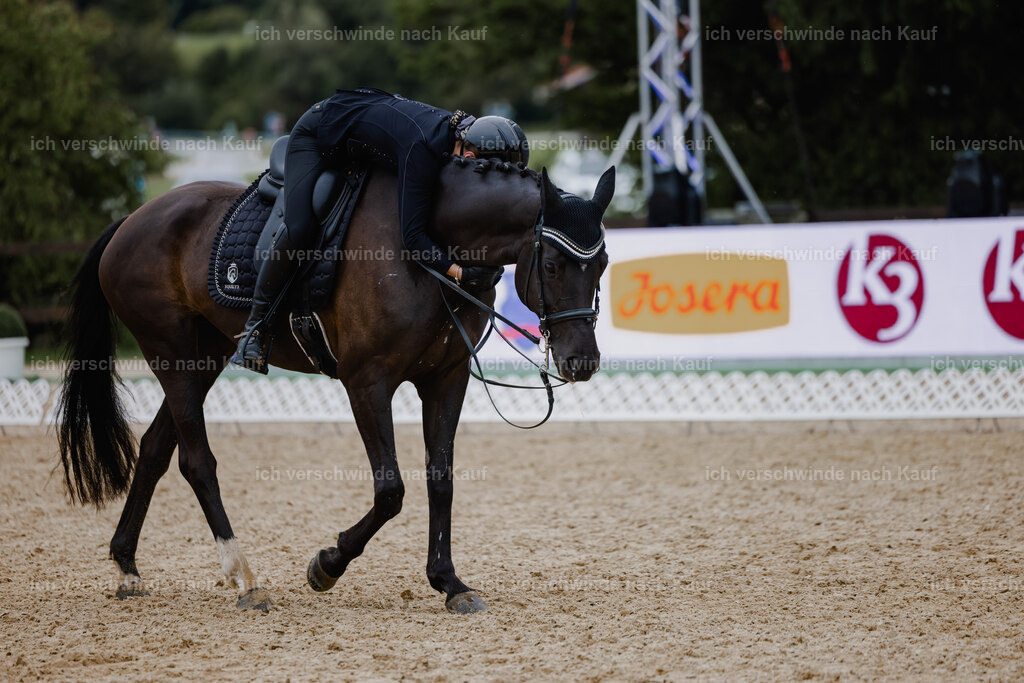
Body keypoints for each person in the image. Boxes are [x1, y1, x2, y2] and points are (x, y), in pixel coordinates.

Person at [230, 88, 529, 373]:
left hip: (363, 135)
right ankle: (255, 329)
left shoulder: (460, 135)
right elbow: (413, 238)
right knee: (300, 228)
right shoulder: (424, 148)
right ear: (470, 157)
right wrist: (460, 273)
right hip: (316, 134)